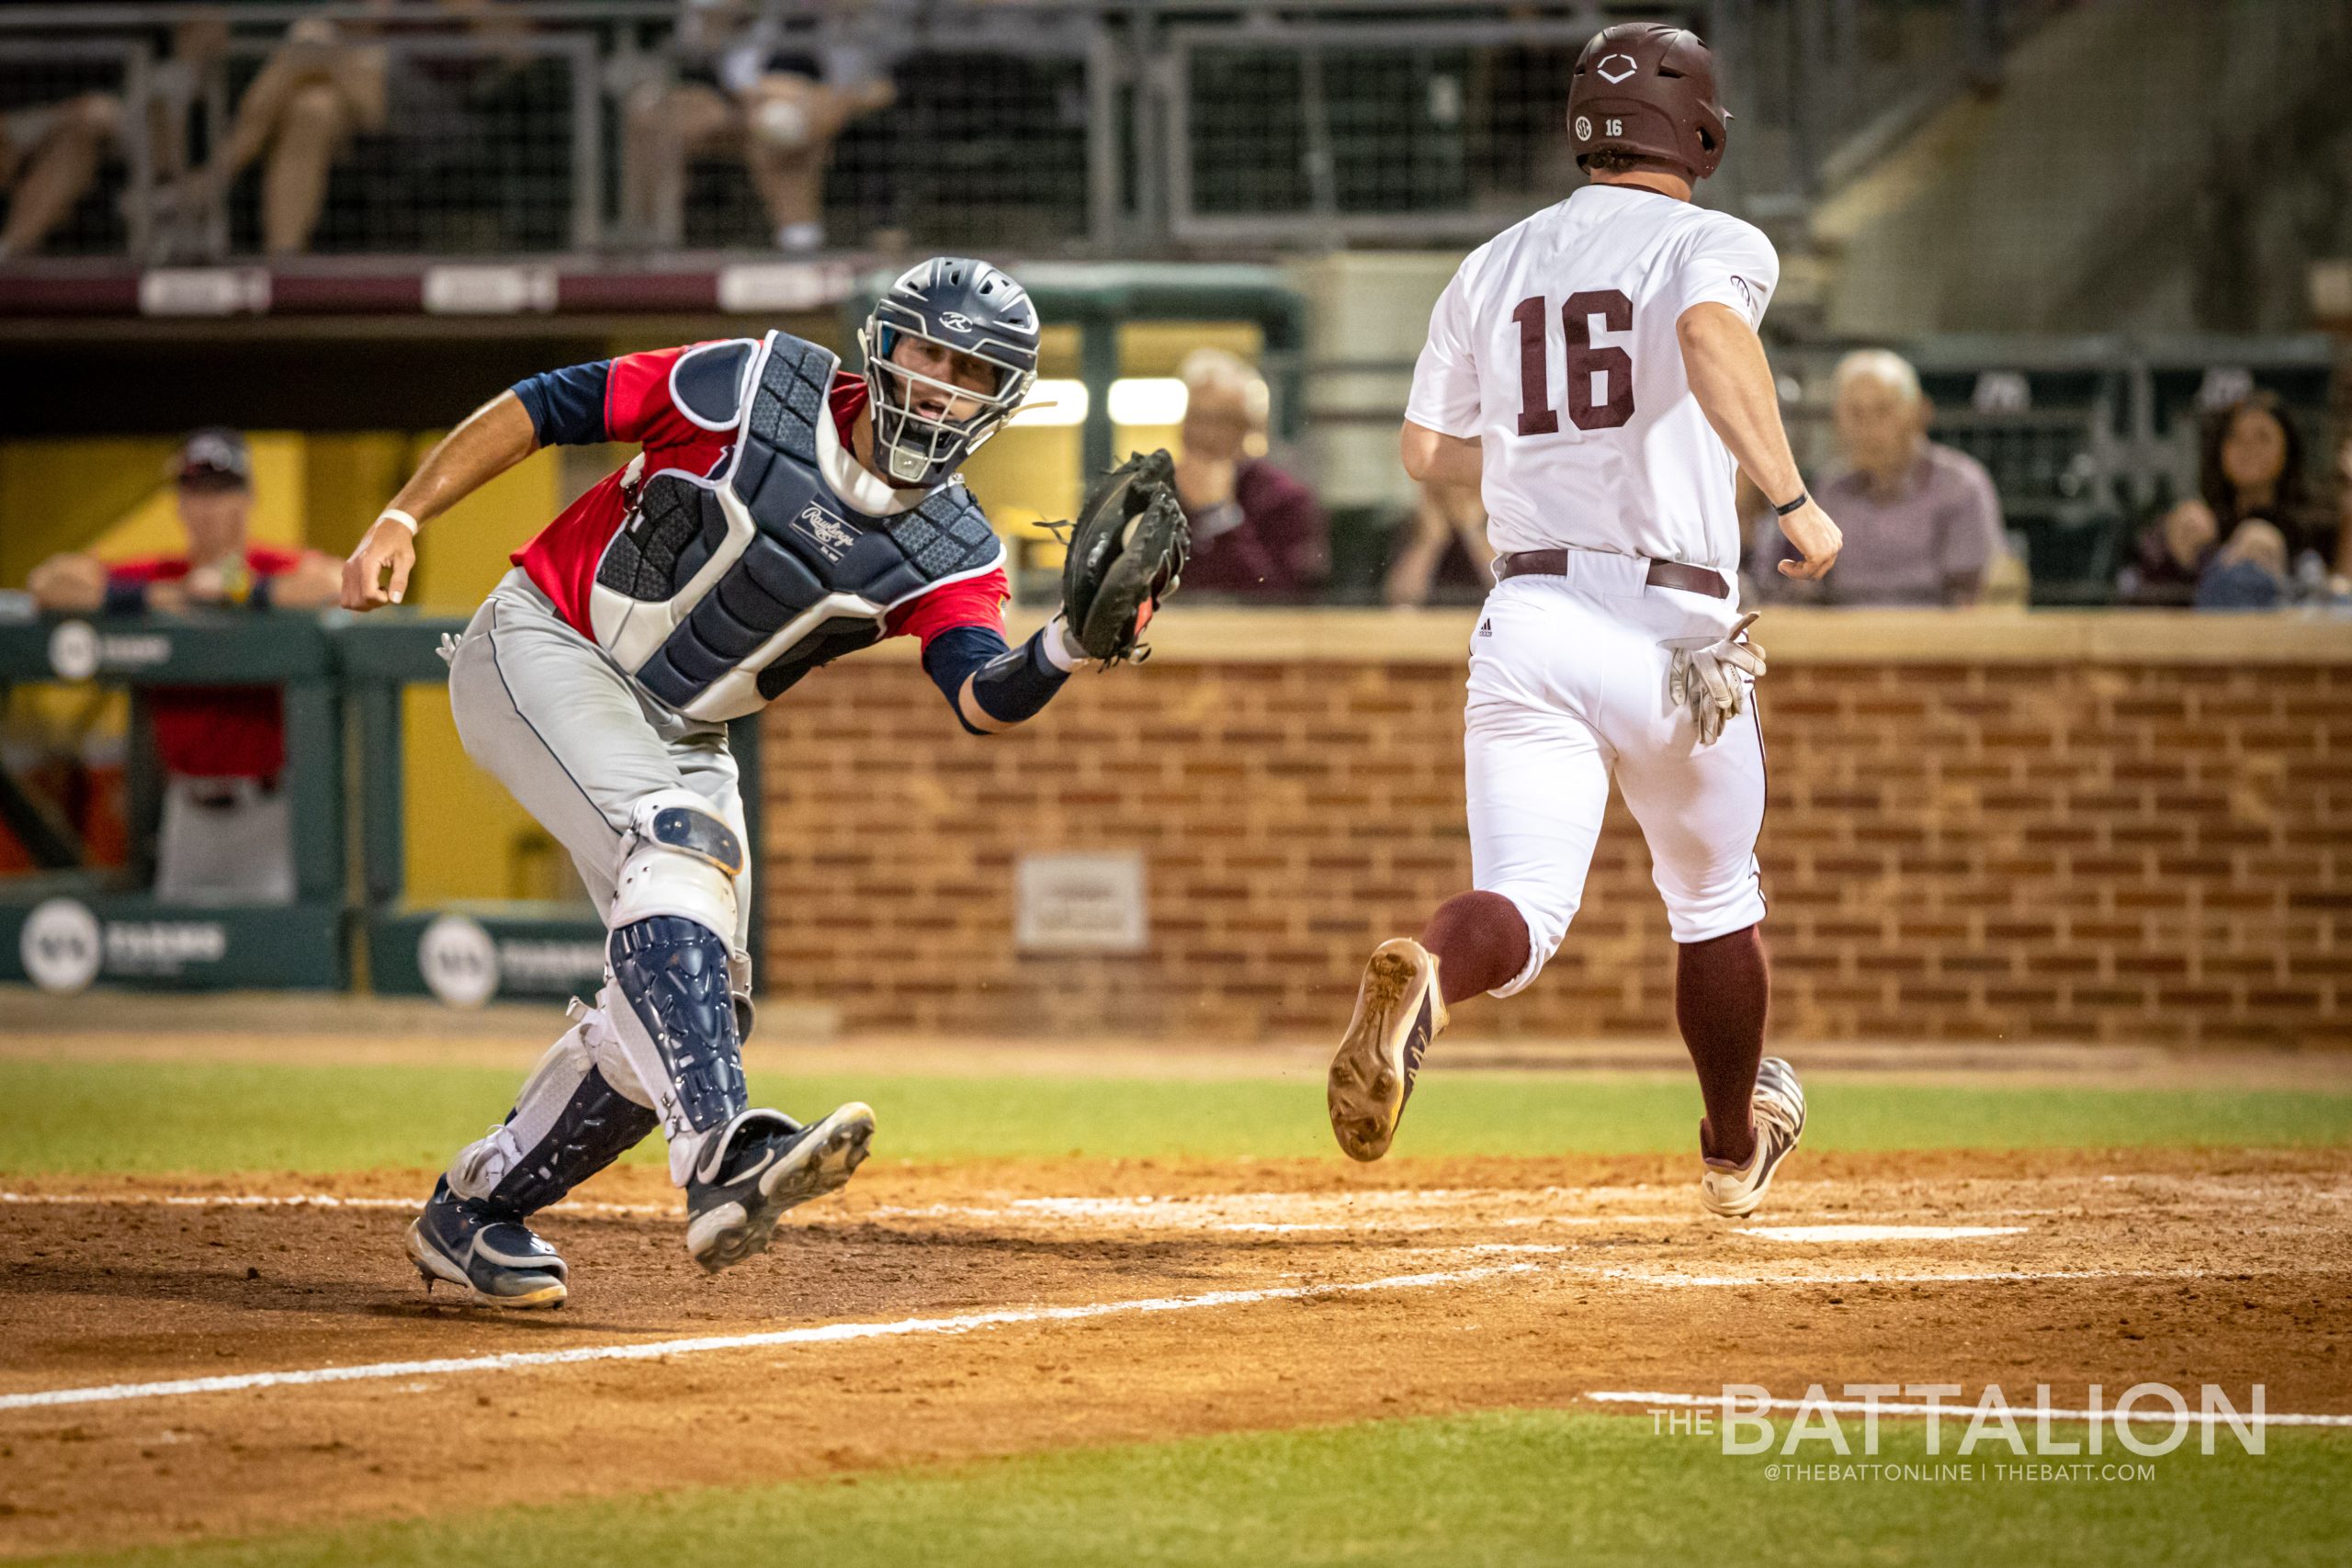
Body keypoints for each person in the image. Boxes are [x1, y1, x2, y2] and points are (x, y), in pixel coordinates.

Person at [340, 257, 1179, 1307]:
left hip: (688, 731)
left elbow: (978, 693)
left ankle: (476, 1208)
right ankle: (720, 1159)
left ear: (1003, 400)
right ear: (884, 344)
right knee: (678, 848)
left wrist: (1062, 646)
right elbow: (550, 404)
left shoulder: (957, 544)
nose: (942, 384)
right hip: (544, 641)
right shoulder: (749, 382)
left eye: (972, 369)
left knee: (697, 1007)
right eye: (929, 351)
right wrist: (404, 517)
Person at [1323, 23, 1840, 1221]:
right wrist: (1796, 501)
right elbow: (1710, 336)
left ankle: (1433, 981)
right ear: (1700, 126)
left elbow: (1422, 451)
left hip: (1532, 607)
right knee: (1712, 895)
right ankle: (1730, 1146)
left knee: (1520, 903)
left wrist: (1544, 451)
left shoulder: (1495, 260)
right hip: (1673, 623)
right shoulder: (1717, 238)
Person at [26, 430, 342, 904]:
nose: (207, 507)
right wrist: (160, 596)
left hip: (267, 808)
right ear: (179, 503)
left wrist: (238, 588)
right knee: (177, 958)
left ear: (246, 498)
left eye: (221, 491)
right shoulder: (164, 575)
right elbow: (49, 582)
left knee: (277, 958)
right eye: (194, 492)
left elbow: (338, 581)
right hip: (186, 810)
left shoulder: (266, 566)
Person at [622, 0, 895, 252]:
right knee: (648, 116)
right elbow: (699, 38)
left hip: (829, 97)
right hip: (734, 100)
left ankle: (800, 243)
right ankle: (650, 242)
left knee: (777, 118)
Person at [1754, 349, 2005, 606]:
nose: (1868, 428)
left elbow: (1971, 594)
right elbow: (1804, 587)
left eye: (1883, 410)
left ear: (1919, 412)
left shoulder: (1960, 485)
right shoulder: (1828, 489)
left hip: (1937, 637)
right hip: (1839, 637)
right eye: (1855, 413)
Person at [1170, 348, 1328, 601]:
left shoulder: (1284, 498)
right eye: (1195, 417)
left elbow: (1279, 598)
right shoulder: (1161, 494)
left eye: (1221, 419)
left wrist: (1218, 517)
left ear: (1250, 427)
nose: (1203, 433)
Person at [1383, 479, 1494, 607]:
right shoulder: (1411, 529)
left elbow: (1510, 588)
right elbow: (1400, 600)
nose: (1457, 496)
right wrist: (1431, 541)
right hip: (1428, 624)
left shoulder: (1501, 528)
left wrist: (1472, 532)